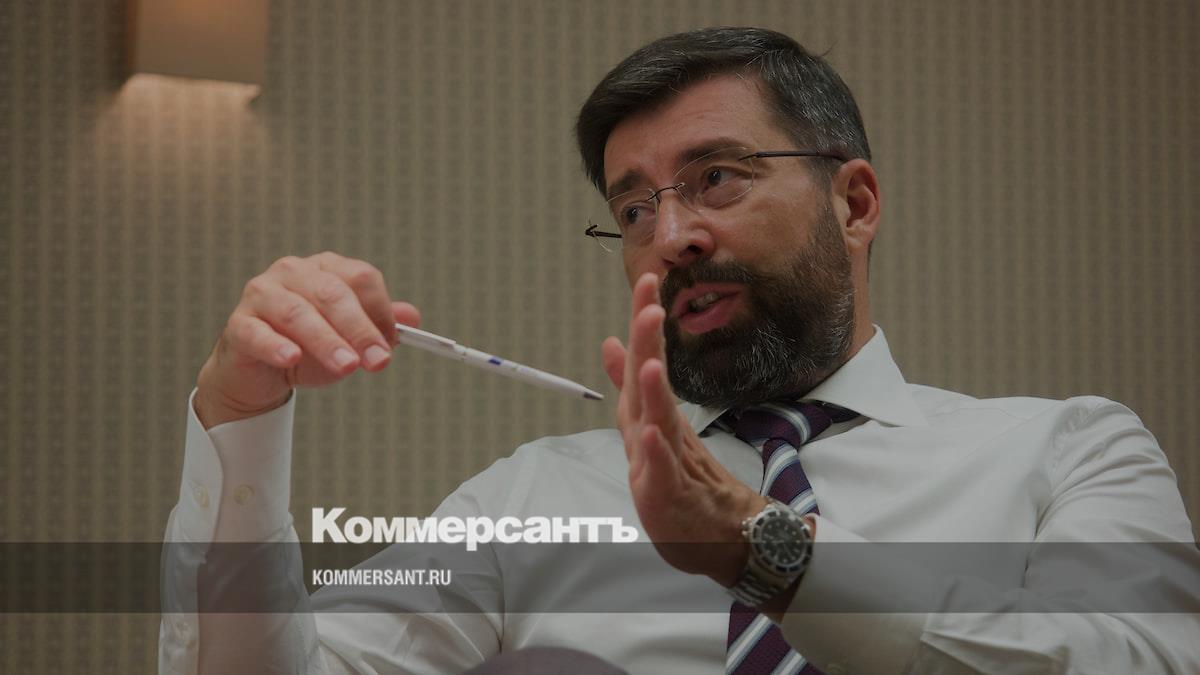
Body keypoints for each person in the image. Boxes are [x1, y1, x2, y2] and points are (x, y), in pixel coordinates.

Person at [159, 27, 1198, 674]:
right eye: (633, 207)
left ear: (855, 202)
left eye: (716, 179)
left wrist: (763, 548)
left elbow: (1141, 660)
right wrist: (241, 419)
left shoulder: (1067, 448)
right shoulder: (527, 498)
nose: (671, 235)